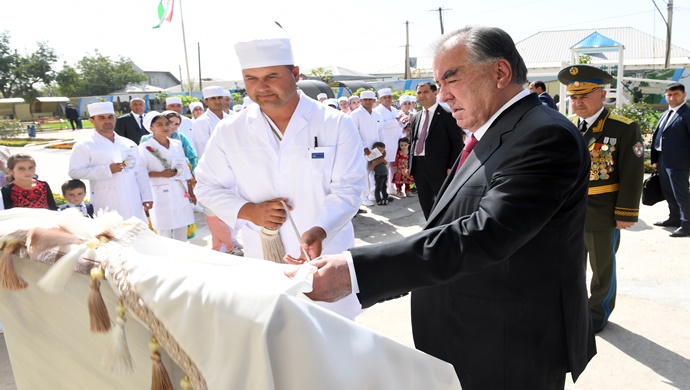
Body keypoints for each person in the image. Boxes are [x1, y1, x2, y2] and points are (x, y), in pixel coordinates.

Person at [290, 26, 596, 389]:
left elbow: (485, 235)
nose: (443, 95)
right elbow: (447, 226)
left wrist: (355, 271)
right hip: (473, 335)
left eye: (451, 79)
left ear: (500, 73)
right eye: (437, 83)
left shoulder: (543, 135)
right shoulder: (495, 132)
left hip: (510, 345)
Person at [194, 27, 366, 319]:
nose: (261, 86)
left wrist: (321, 229)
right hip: (262, 255)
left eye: (271, 76)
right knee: (274, 337)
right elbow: (206, 186)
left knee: (335, 337)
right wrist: (248, 210)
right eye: (251, 78)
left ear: (295, 73)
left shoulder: (335, 124)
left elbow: (348, 189)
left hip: (326, 251)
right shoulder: (230, 130)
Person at [559, 64, 644, 333]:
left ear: (602, 94)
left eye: (584, 95)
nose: (577, 102)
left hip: (602, 212)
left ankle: (598, 313)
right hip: (570, 211)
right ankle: (574, 309)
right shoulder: (567, 126)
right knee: (571, 266)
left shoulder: (623, 128)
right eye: (573, 96)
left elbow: (632, 173)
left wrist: (626, 213)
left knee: (602, 268)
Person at [68, 102, 153, 222]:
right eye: (101, 118)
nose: (107, 121)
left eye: (110, 117)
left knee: (138, 233)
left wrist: (146, 196)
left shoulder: (128, 143)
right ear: (92, 121)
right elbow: (74, 172)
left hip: (133, 199)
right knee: (112, 235)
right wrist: (107, 170)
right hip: (107, 200)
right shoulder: (84, 145)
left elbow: (140, 172)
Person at [408, 81, 464, 219]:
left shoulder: (447, 115)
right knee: (425, 202)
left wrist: (452, 165)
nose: (422, 95)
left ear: (435, 93)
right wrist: (409, 165)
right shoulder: (416, 117)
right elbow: (412, 142)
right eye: (419, 92)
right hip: (419, 166)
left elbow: (457, 143)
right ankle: (430, 230)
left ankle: (446, 229)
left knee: (444, 202)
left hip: (440, 167)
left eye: (426, 92)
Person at [138, 111, 195, 241]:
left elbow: (185, 168)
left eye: (166, 124)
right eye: (159, 124)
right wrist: (161, 174)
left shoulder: (176, 144)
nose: (165, 127)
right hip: (159, 192)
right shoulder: (145, 147)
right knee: (165, 232)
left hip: (180, 190)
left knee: (182, 228)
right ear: (151, 128)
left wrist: (191, 191)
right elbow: (140, 173)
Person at [650, 82, 690, 237]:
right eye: (669, 95)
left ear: (684, 95)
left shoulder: (687, 114)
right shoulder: (666, 113)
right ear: (665, 96)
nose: (672, 97)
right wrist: (656, 159)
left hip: (680, 162)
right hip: (663, 159)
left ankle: (687, 224)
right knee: (668, 192)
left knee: (681, 194)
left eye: (676, 94)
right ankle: (674, 218)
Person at [350, 90, 383, 207]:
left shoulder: (377, 115)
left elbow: (380, 131)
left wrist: (382, 147)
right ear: (361, 101)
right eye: (365, 100)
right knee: (363, 172)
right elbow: (354, 132)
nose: (368, 102)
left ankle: (373, 193)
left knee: (374, 171)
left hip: (375, 148)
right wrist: (363, 146)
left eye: (370, 100)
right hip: (362, 149)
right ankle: (363, 197)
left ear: (374, 101)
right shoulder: (355, 114)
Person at [374, 88, 404, 194]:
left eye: (389, 97)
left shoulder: (395, 110)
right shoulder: (377, 111)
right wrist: (395, 121)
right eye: (385, 97)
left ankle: (390, 187)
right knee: (384, 165)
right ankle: (381, 189)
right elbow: (381, 125)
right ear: (380, 99)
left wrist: (402, 122)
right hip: (385, 142)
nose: (387, 99)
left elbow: (398, 124)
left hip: (395, 141)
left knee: (393, 166)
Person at [193, 86, 231, 157]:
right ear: (205, 101)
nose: (217, 101)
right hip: (214, 164)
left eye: (220, 97)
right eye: (213, 98)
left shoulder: (231, 119)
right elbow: (202, 151)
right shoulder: (201, 122)